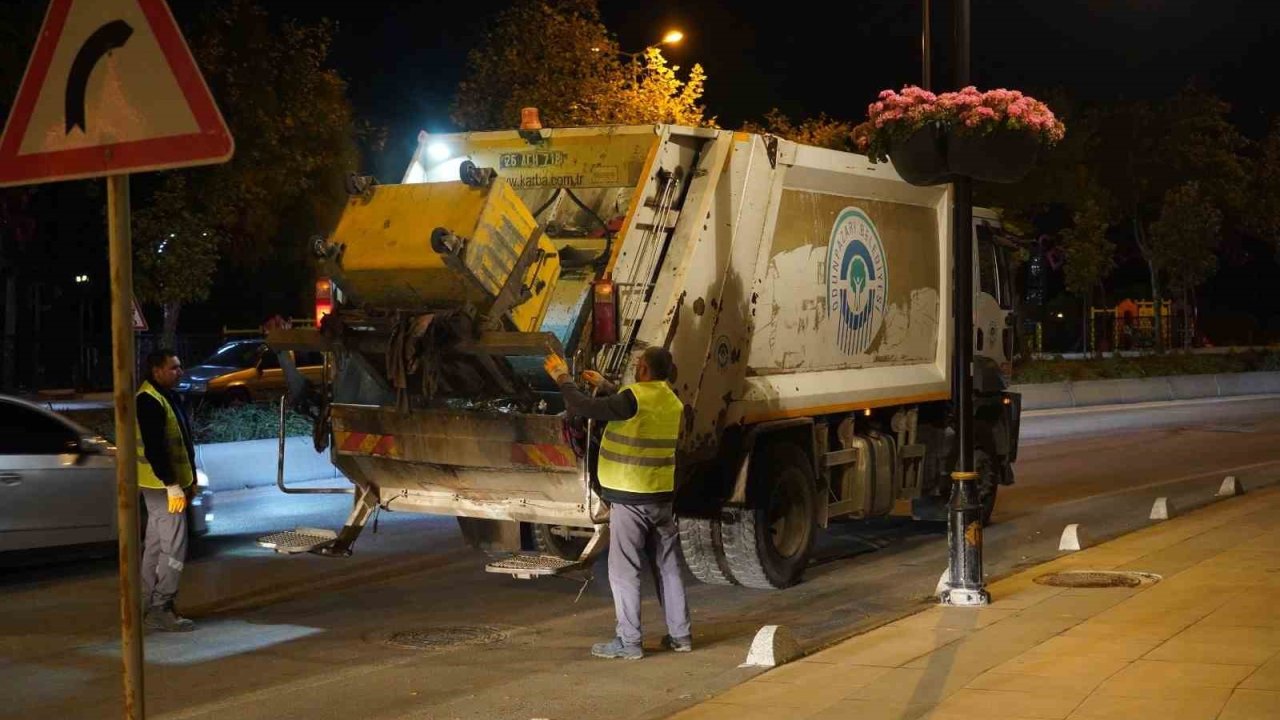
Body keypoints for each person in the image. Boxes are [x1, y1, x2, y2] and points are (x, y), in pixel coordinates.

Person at [543, 346, 691, 660]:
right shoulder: (672, 401)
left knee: (624, 571)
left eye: (639, 364)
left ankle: (630, 643)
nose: (636, 368)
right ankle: (681, 637)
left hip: (630, 499)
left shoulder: (632, 399)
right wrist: (607, 386)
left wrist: (562, 378)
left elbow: (584, 407)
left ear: (646, 370)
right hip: (661, 498)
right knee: (669, 568)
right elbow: (633, 407)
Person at [136, 349, 197, 632]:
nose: (179, 372)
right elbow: (155, 449)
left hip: (161, 486)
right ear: (156, 370)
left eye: (180, 366)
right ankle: (161, 606)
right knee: (174, 547)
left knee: (156, 546)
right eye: (173, 368)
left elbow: (180, 443)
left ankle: (146, 605)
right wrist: (173, 485)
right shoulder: (149, 400)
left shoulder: (165, 396)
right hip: (163, 488)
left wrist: (190, 480)